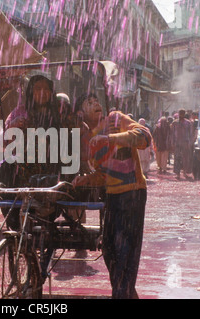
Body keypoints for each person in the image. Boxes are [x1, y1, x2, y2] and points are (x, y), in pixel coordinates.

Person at [72, 92, 151, 299]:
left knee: (125, 254)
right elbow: (104, 174)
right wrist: (87, 179)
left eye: (96, 100)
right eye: (89, 102)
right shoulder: (89, 139)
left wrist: (109, 138)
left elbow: (144, 137)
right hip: (113, 197)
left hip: (133, 194)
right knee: (109, 251)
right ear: (81, 112)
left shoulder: (116, 119)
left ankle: (121, 293)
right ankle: (126, 293)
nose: (96, 103)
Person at [0, 74, 63, 230]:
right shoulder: (20, 112)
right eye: (38, 88)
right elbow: (3, 141)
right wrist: (13, 126)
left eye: (46, 89)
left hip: (52, 164)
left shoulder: (58, 111)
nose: (42, 92)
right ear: (31, 91)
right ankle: (14, 224)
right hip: (23, 166)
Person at [170, 109, 195, 179]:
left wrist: (190, 143)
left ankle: (185, 173)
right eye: (180, 113)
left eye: (182, 114)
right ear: (178, 114)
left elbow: (190, 134)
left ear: (184, 114)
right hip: (177, 143)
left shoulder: (188, 123)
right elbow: (172, 134)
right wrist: (172, 143)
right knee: (177, 158)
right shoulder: (174, 123)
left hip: (185, 143)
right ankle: (177, 174)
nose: (181, 115)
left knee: (185, 158)